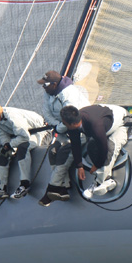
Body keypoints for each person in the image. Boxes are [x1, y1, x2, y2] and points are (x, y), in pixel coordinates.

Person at [50, 104, 129, 204]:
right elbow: (75, 143)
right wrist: (79, 166)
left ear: (73, 123)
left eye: (65, 123)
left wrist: (97, 165)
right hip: (105, 124)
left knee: (111, 146)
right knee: (91, 145)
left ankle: (98, 182)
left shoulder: (95, 125)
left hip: (123, 122)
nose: (64, 125)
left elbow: (103, 148)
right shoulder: (74, 122)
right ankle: (108, 180)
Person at [0, 98, 49, 203]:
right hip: (23, 135)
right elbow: (1, 134)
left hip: (41, 131)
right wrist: (6, 144)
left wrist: (10, 145)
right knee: (1, 152)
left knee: (23, 148)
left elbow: (24, 137)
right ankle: (0, 188)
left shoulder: (12, 117)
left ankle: (24, 185)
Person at [37, 70, 90, 204]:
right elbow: (46, 112)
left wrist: (59, 126)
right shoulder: (48, 92)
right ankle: (63, 188)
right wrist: (57, 126)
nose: (43, 87)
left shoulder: (68, 94)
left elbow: (70, 119)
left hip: (79, 130)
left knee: (65, 153)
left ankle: (52, 188)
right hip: (63, 129)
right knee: (53, 151)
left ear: (54, 84)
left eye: (46, 84)